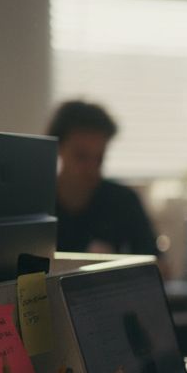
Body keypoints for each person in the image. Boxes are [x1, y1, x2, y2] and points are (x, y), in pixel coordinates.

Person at [48, 100, 159, 256]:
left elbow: (159, 265)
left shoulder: (124, 200)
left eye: (99, 158)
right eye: (81, 156)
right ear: (58, 148)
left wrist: (116, 263)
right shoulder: (35, 203)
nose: (92, 168)